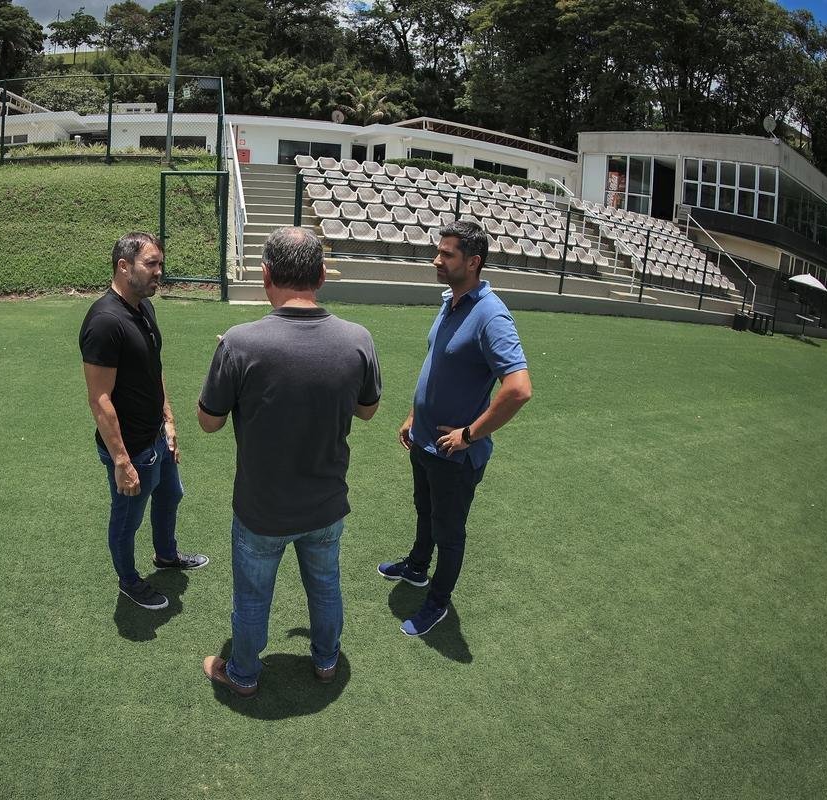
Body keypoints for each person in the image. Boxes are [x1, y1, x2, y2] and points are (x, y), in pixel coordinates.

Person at [197, 226, 381, 698]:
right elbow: (367, 410)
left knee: (253, 596)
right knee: (325, 586)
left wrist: (232, 365)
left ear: (265, 276)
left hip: (263, 509)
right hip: (325, 505)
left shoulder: (239, 342)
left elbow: (209, 422)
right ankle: (324, 661)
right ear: (321, 275)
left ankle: (243, 673)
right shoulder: (357, 339)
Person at [378, 220, 532, 636]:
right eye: (439, 251)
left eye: (447, 255)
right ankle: (415, 567)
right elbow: (436, 365)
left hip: (453, 452)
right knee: (425, 511)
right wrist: (414, 414)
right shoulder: (452, 300)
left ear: (473, 262)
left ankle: (437, 602)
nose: (437, 260)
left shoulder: (491, 315)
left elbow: (518, 389)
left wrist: (469, 434)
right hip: (424, 441)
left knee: (450, 531)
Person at [80, 232, 209, 611]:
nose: (159, 273)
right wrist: (122, 461)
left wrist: (168, 421)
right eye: (151, 264)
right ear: (124, 267)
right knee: (126, 518)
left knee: (171, 494)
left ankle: (166, 555)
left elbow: (155, 369)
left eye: (160, 265)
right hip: (131, 449)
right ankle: (128, 580)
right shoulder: (104, 322)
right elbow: (99, 398)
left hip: (156, 436)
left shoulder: (144, 307)